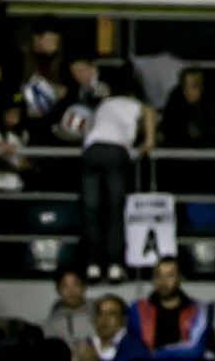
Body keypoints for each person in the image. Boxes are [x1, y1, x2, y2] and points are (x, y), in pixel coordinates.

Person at [75, 91, 156, 283]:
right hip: (115, 151)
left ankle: (93, 266)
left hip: (92, 150)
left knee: (91, 210)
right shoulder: (131, 101)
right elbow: (149, 111)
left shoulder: (103, 106)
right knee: (114, 211)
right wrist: (149, 140)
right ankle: (114, 266)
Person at [157, 69, 215, 196]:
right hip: (178, 168)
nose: (189, 91)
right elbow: (167, 128)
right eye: (185, 86)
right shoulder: (175, 101)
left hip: (209, 170)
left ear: (203, 87)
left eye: (194, 86)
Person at [129, 261, 208, 360]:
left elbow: (195, 350)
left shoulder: (197, 309)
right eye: (158, 275)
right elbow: (129, 346)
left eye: (169, 275)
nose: (163, 281)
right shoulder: (138, 309)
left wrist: (155, 354)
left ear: (180, 278)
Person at [40, 272, 97, 356]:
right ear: (58, 290)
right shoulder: (54, 320)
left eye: (76, 285)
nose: (71, 291)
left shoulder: (99, 309)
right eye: (65, 286)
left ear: (83, 288)